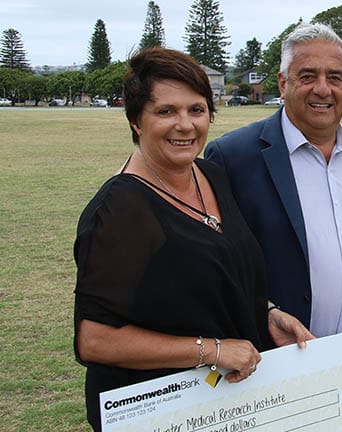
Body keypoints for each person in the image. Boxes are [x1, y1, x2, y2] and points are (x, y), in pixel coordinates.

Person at [73, 47, 312, 431]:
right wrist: (213, 350)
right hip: (159, 410)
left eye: (196, 110)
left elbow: (213, 276)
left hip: (224, 403)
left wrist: (265, 313)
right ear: (137, 120)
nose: (185, 125)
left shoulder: (211, 175)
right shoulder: (122, 211)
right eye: (166, 111)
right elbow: (95, 340)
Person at [204, 23, 342, 337]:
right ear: (282, 82)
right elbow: (214, 266)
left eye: (334, 77)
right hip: (280, 363)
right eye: (307, 76)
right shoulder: (233, 157)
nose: (322, 89)